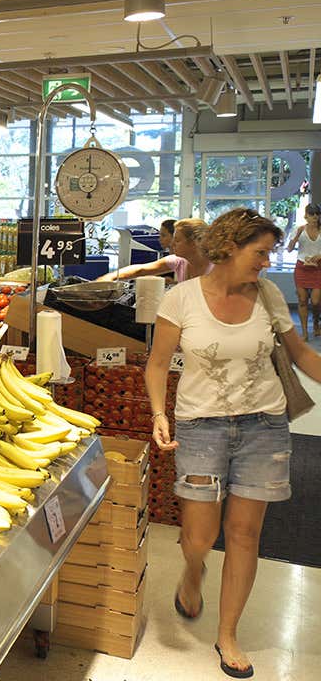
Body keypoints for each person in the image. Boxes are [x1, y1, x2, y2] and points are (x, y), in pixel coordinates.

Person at [146, 207, 321, 679]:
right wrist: (160, 413)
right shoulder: (181, 299)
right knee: (199, 537)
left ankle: (228, 635)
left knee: (245, 535)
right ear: (229, 248)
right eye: (259, 252)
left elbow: (301, 353)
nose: (266, 262)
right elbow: (158, 364)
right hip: (201, 426)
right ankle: (192, 568)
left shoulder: (267, 296)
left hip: (264, 427)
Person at [100, 218, 210, 284]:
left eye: (177, 240)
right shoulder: (179, 261)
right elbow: (140, 270)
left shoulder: (216, 268)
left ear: (194, 242)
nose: (172, 244)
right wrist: (109, 277)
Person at [286, 203, 321, 338]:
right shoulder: (299, 229)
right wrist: (296, 237)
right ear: (306, 216)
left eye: (317, 214)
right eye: (312, 214)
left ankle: (316, 323)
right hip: (302, 267)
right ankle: (305, 332)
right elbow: (289, 249)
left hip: (318, 268)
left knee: (316, 301)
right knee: (302, 300)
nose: (314, 217)